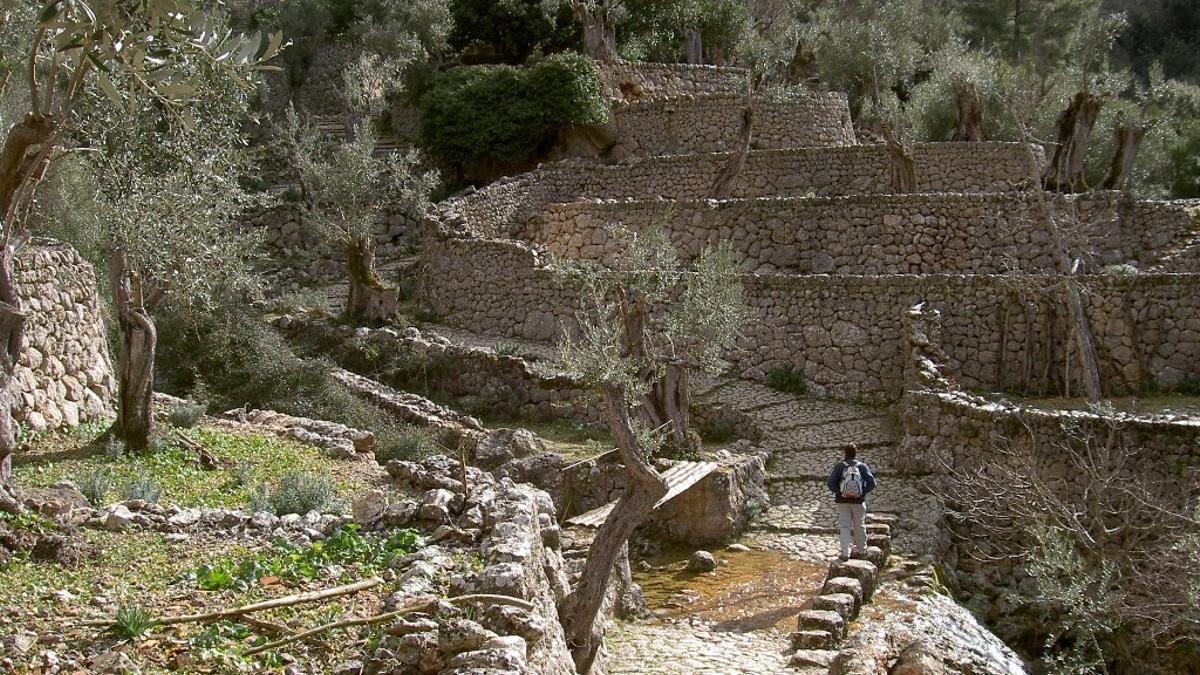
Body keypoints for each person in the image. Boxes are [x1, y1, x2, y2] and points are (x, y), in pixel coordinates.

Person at [825, 443, 877, 560]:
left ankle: (845, 553)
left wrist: (840, 493)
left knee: (844, 527)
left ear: (845, 453)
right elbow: (872, 483)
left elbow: (830, 483)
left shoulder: (839, 467)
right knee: (860, 525)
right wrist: (861, 493)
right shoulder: (861, 466)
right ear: (855, 453)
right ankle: (862, 551)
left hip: (842, 502)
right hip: (858, 502)